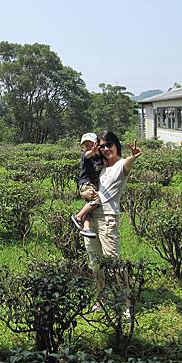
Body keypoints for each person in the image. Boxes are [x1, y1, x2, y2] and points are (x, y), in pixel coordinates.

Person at [80, 130, 142, 314]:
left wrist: (134, 156)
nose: (107, 149)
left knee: (113, 262)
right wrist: (82, 193)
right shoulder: (99, 166)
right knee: (95, 264)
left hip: (107, 219)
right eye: (103, 146)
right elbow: (87, 187)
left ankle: (126, 302)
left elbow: (127, 165)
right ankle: (102, 299)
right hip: (91, 219)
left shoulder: (121, 165)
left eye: (110, 145)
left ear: (116, 146)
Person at [71, 132, 104, 238]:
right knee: (96, 200)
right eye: (86, 146)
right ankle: (78, 217)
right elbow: (87, 155)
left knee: (90, 209)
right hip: (86, 183)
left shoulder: (99, 158)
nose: (88, 147)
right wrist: (92, 151)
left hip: (93, 184)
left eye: (91, 145)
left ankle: (86, 228)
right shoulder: (86, 156)